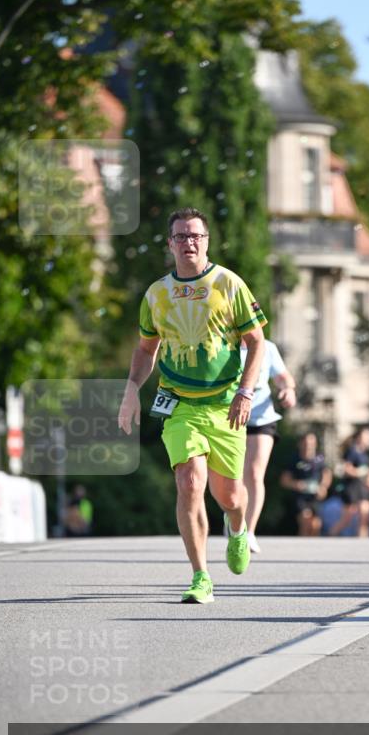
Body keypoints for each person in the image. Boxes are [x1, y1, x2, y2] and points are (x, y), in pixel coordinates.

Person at [118, 207, 266, 604]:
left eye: (196, 236)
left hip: (226, 405)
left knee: (231, 497)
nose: (189, 243)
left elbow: (257, 343)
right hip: (179, 405)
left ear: (207, 241)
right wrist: (132, 387)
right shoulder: (156, 294)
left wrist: (246, 392)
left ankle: (236, 528)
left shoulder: (229, 284)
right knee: (189, 483)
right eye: (181, 237)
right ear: (170, 244)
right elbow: (146, 349)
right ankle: (201, 576)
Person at [241, 339, 296, 554]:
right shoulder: (224, 342)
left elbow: (283, 377)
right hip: (229, 417)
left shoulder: (267, 347)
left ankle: (249, 532)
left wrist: (288, 390)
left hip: (261, 417)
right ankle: (235, 515)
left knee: (254, 474)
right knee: (232, 477)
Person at [330, 427, 369, 538]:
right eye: (366, 436)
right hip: (351, 487)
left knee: (365, 516)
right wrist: (360, 473)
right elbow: (346, 469)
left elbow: (364, 473)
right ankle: (330, 535)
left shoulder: (364, 454)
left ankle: (362, 544)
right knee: (347, 518)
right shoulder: (352, 451)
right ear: (359, 437)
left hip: (362, 488)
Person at [280, 432, 332, 537]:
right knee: (305, 520)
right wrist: (297, 484)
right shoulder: (295, 459)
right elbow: (284, 480)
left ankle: (313, 549)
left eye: (311, 442)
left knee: (315, 525)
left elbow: (327, 474)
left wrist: (323, 487)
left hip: (315, 496)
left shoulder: (320, 459)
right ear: (300, 444)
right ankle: (302, 547)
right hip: (301, 497)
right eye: (306, 442)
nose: (308, 445)